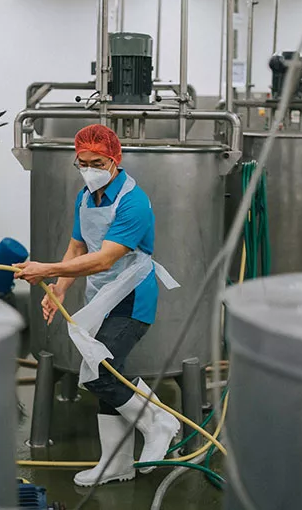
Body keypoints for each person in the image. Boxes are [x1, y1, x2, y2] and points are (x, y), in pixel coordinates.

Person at [14, 124, 181, 487]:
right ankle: (116, 463)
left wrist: (46, 269)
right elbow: (78, 247)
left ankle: (158, 422)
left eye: (97, 162)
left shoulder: (133, 201)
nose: (88, 169)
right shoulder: (86, 197)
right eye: (82, 162)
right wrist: (58, 288)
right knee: (101, 369)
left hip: (131, 296)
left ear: (114, 160)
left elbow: (105, 259)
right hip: (102, 297)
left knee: (102, 371)